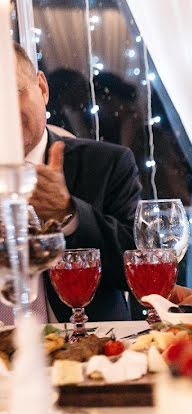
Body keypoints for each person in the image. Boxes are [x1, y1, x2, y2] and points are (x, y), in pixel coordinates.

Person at [12, 42, 139, 323]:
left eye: (13, 92)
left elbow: (135, 269)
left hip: (86, 351)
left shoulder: (106, 164)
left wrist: (69, 215)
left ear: (42, 89)